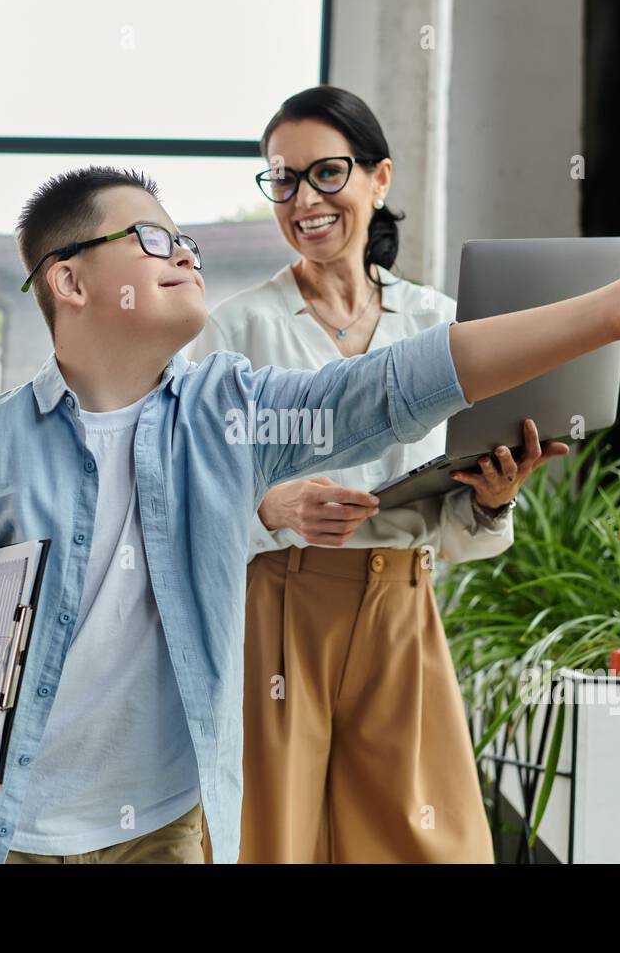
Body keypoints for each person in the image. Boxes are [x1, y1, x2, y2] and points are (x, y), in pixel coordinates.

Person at [0, 164, 620, 864]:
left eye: (183, 238)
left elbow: (393, 386)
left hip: (162, 830)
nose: (183, 253)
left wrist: (610, 311)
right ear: (67, 280)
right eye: (151, 239)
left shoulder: (229, 413)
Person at [184, 85, 568, 862]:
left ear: (378, 179)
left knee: (432, 844)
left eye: (326, 173)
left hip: (403, 602)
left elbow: (461, 528)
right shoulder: (235, 331)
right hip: (280, 610)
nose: (303, 199)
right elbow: (189, 498)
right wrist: (274, 506)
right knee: (273, 842)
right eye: (282, 179)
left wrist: (493, 502)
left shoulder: (440, 323)